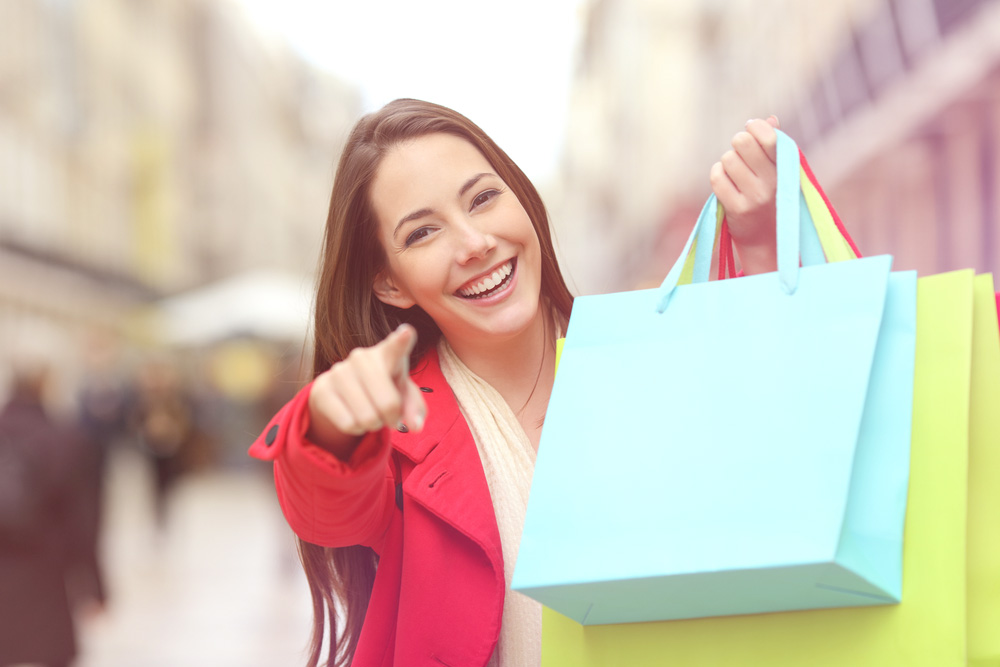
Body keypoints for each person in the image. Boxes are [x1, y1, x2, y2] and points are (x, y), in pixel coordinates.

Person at [248, 98, 780, 667]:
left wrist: (762, 248)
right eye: (423, 232)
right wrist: (330, 427)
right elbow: (328, 509)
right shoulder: (398, 430)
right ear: (389, 284)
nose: (474, 242)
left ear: (523, 201)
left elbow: (773, 446)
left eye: (482, 198)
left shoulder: (647, 360)